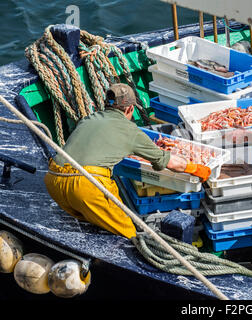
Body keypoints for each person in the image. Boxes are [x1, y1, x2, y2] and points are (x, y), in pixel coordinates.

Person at [44, 83, 211, 239]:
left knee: (90, 225)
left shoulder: (89, 119)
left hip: (53, 180)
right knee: (129, 235)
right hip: (85, 186)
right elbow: (172, 163)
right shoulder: (131, 131)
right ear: (130, 108)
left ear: (107, 104)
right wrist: (197, 169)